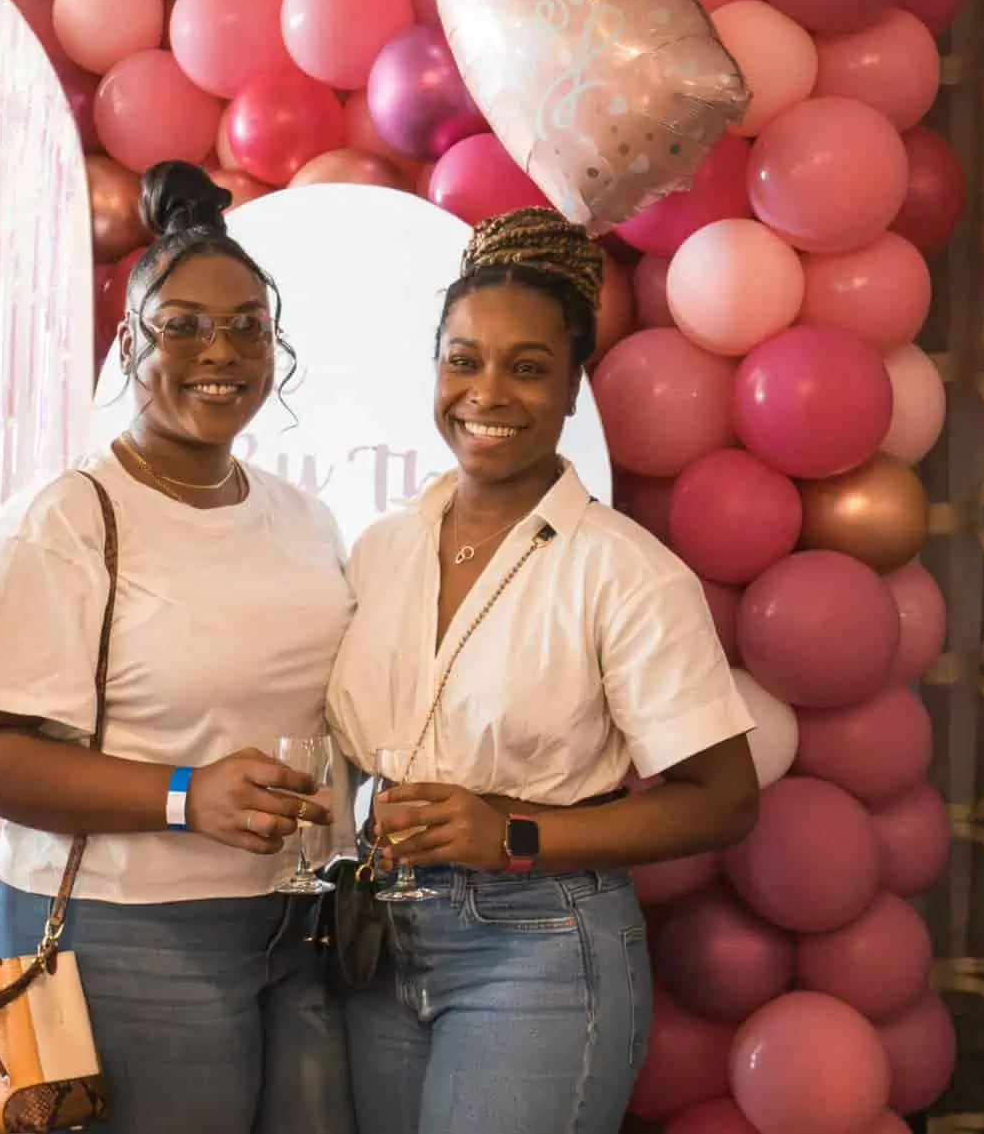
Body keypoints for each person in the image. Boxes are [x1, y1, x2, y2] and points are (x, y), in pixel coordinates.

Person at [0, 160, 357, 1134]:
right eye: (184, 325)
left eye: (250, 325)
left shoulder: (304, 519)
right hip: (123, 935)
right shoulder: (63, 525)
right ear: (129, 345)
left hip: (299, 923)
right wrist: (182, 794)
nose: (223, 349)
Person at [326, 206, 763, 1134]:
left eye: (527, 368)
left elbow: (724, 799)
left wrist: (512, 836)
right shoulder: (383, 547)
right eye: (462, 359)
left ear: (574, 389)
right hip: (378, 940)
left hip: (537, 943)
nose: (486, 391)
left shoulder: (623, 570)